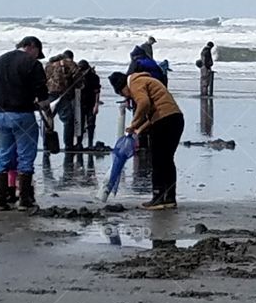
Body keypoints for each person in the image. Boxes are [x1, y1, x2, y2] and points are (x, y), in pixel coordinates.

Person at [0, 36, 51, 210]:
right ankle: (25, 200)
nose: (37, 57)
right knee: (25, 156)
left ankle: (0, 200)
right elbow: (42, 93)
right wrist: (47, 111)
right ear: (31, 47)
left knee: (2, 155)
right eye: (37, 53)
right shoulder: (32, 64)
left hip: (1, 116)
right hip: (23, 115)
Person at [108, 71, 184, 210]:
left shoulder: (135, 83)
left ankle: (158, 197)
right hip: (175, 119)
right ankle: (170, 198)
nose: (126, 96)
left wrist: (133, 123)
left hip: (164, 122)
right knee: (167, 160)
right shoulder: (145, 81)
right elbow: (154, 114)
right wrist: (139, 129)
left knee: (157, 160)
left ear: (123, 86)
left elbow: (144, 104)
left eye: (122, 93)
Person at [47, 50, 83, 150]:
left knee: (48, 119)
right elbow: (79, 80)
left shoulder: (49, 64)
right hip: (63, 95)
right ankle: (68, 144)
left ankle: (47, 144)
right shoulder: (70, 64)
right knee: (67, 120)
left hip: (49, 95)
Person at [78, 60, 101, 150]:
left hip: (91, 103)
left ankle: (90, 143)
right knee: (79, 124)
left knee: (91, 124)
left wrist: (96, 105)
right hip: (79, 103)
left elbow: (97, 91)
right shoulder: (77, 77)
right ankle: (79, 143)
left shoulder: (94, 77)